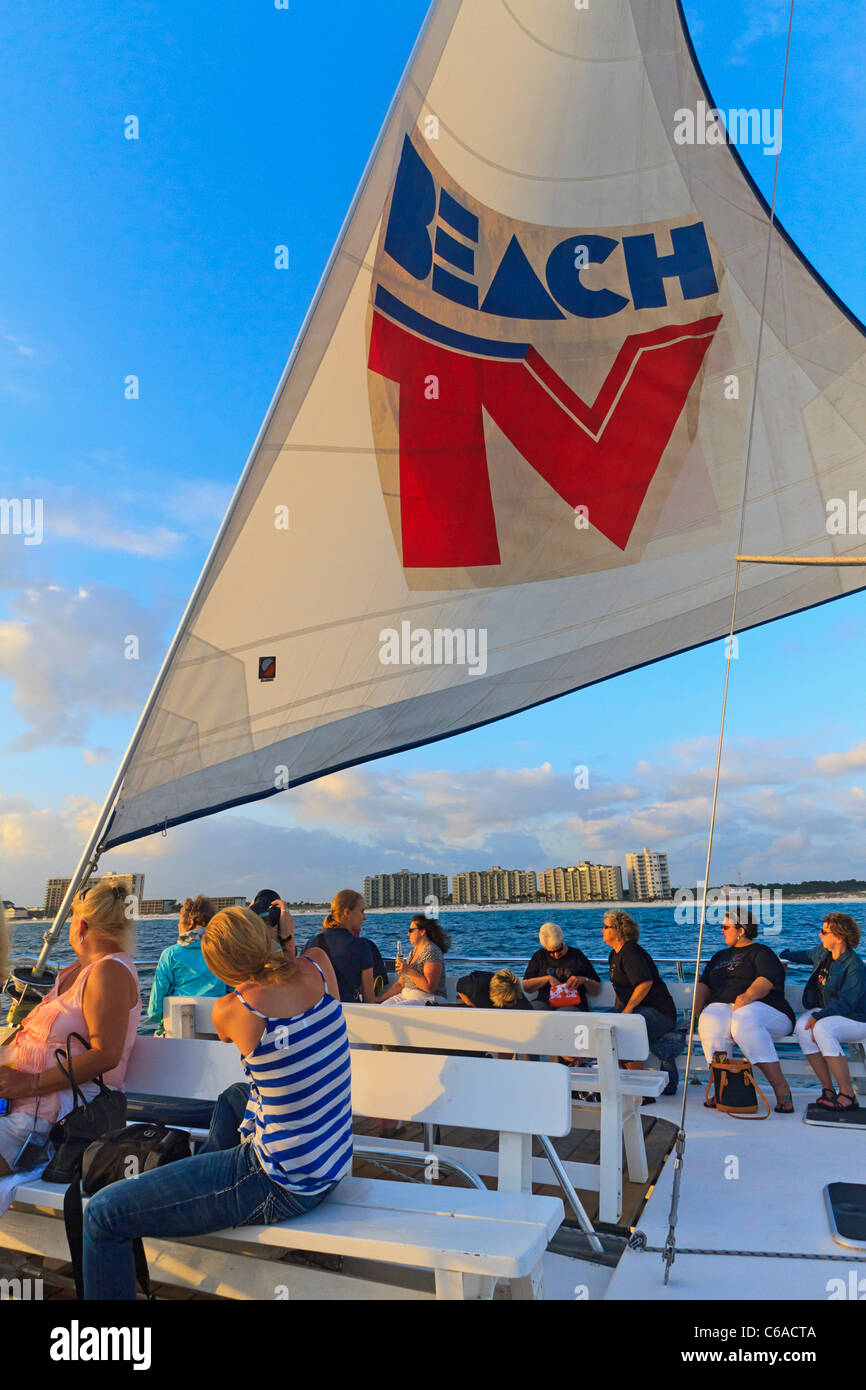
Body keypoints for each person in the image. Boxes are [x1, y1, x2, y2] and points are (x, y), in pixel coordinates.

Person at [81, 906, 352, 1300]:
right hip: (330, 1161)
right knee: (234, 1097)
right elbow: (290, 979)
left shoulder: (237, 1010)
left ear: (219, 966)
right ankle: (198, 1173)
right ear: (267, 935)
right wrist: (286, 939)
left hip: (278, 1180)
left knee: (103, 1214)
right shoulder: (321, 966)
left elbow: (243, 1011)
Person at [0, 878, 141, 1176]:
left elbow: (106, 1055)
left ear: (81, 926)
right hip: (21, 1108)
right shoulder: (77, 971)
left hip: (50, 1122)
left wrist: (26, 1084)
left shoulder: (109, 973)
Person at [695, 908, 795, 1113]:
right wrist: (697, 1006)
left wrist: (746, 997)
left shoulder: (761, 952)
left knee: (744, 1020)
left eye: (725, 927)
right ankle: (725, 1089)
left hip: (765, 1009)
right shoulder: (719, 956)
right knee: (710, 1021)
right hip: (725, 1007)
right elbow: (704, 983)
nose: (722, 930)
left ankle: (781, 1088)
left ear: (741, 930)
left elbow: (767, 980)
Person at [782, 912, 866, 1112]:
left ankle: (847, 1094)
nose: (820, 935)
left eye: (824, 932)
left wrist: (818, 1016)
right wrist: (783, 956)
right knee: (803, 1028)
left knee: (822, 1029)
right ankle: (828, 1089)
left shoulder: (854, 965)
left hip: (856, 1018)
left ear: (839, 936)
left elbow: (847, 1002)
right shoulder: (823, 953)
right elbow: (805, 955)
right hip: (830, 1012)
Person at [602, 910, 679, 1096]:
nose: (602, 930)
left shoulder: (631, 952)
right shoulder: (614, 955)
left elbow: (645, 983)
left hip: (659, 1012)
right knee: (604, 1026)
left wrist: (626, 1012)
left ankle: (639, 1087)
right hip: (639, 1010)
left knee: (623, 1032)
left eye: (606, 927)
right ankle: (624, 1080)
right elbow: (621, 989)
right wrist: (617, 1011)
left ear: (619, 931)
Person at [147, 895, 226, 1034]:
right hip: (219, 1031)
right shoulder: (224, 953)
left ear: (189, 923)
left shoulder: (170, 955)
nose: (177, 926)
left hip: (180, 1033)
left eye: (179, 922)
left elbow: (155, 1010)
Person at [301, 890, 377, 1003]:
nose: (364, 917)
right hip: (349, 1015)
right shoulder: (361, 946)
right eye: (361, 911)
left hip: (319, 1016)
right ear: (347, 913)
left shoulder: (310, 944)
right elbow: (369, 1000)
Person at [522, 922, 601, 1009]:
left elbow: (596, 990)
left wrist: (584, 980)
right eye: (551, 952)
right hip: (545, 1001)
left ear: (562, 941)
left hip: (572, 1003)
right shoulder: (539, 956)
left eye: (559, 950)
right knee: (531, 1009)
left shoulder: (576, 955)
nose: (556, 955)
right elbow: (526, 987)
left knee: (563, 1013)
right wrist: (548, 979)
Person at [377, 915, 450, 1003]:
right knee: (383, 1008)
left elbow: (430, 988)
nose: (408, 934)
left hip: (428, 999)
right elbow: (401, 984)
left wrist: (408, 970)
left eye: (411, 930)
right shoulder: (413, 952)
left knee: (397, 1011)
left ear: (422, 931)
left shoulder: (432, 951)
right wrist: (378, 1000)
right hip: (406, 996)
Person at [456, 968, 534, 1010]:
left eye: (517, 997)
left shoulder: (515, 992)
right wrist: (472, 1006)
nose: (515, 1002)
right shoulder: (475, 986)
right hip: (472, 1000)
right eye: (511, 1001)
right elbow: (458, 986)